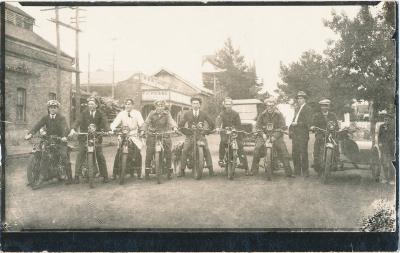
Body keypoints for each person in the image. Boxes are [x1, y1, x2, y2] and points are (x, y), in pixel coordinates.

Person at [24, 100, 72, 187]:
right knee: (44, 155)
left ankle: (69, 177)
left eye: (54, 107)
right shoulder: (45, 118)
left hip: (60, 140)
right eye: (51, 107)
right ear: (48, 109)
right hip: (49, 140)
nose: (52, 109)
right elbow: (37, 126)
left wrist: (64, 136)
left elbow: (65, 128)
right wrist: (30, 134)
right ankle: (40, 178)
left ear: (57, 109)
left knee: (63, 155)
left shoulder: (62, 118)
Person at [69, 97, 111, 184]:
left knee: (100, 155)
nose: (90, 105)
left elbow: (105, 122)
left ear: (96, 105)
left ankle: (105, 175)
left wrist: (108, 129)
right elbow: (78, 121)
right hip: (84, 137)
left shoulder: (100, 113)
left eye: (92, 104)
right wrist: (73, 129)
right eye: (89, 104)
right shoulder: (84, 113)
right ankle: (76, 176)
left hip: (97, 137)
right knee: (80, 154)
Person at [250, 97, 294, 177]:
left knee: (283, 149)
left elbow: (283, 127)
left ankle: (289, 172)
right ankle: (253, 170)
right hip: (264, 136)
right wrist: (262, 134)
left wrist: (275, 136)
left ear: (274, 106)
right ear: (266, 106)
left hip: (276, 136)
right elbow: (258, 127)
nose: (270, 107)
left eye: (271, 106)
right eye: (268, 106)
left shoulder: (279, 114)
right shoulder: (262, 114)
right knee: (257, 148)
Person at [140, 99, 178, 179]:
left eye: (162, 105)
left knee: (168, 152)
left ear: (164, 107)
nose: (160, 107)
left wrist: (174, 127)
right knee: (149, 152)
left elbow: (171, 121)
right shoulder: (151, 113)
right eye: (158, 105)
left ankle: (169, 171)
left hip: (164, 134)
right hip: (153, 134)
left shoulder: (167, 114)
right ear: (155, 106)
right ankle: (147, 171)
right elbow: (146, 122)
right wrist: (143, 130)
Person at [178, 96, 215, 177]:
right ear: (191, 105)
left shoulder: (203, 114)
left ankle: (211, 169)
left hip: (200, 135)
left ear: (199, 105)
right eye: (193, 103)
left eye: (197, 103)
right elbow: (180, 125)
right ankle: (182, 170)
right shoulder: (187, 114)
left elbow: (212, 124)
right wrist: (187, 132)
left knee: (206, 149)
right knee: (185, 150)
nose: (195, 105)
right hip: (190, 135)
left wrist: (206, 131)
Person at [110, 98, 144, 180]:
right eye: (126, 104)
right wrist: (113, 129)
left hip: (133, 135)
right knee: (119, 152)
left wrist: (142, 131)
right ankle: (115, 173)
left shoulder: (137, 113)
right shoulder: (121, 113)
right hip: (123, 134)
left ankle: (139, 173)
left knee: (137, 152)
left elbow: (141, 124)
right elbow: (115, 123)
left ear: (132, 105)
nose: (127, 105)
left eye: (129, 104)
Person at [215, 97, 249, 175]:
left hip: (234, 133)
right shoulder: (222, 113)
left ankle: (246, 167)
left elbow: (239, 125)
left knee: (240, 146)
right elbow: (218, 120)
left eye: (229, 104)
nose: (228, 106)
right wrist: (217, 127)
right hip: (225, 133)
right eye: (226, 104)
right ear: (224, 105)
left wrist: (235, 129)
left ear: (232, 105)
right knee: (223, 142)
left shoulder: (236, 114)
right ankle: (221, 159)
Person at [310, 99, 339, 174]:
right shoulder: (317, 115)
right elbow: (313, 123)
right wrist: (313, 127)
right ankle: (316, 161)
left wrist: (336, 129)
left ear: (328, 107)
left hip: (331, 134)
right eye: (322, 106)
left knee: (336, 142)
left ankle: (336, 160)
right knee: (317, 142)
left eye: (326, 106)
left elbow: (336, 125)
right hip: (321, 133)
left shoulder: (333, 115)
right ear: (320, 107)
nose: (324, 107)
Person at [289, 91, 313, 177]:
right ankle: (297, 171)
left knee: (303, 152)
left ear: (305, 99)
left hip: (303, 134)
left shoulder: (308, 109)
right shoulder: (297, 109)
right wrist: (290, 129)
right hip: (295, 134)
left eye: (301, 98)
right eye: (298, 98)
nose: (299, 100)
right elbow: (293, 120)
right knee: (295, 153)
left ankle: (305, 171)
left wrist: (297, 124)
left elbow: (308, 122)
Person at [378, 111, 395, 185]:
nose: (386, 121)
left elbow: (393, 137)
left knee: (391, 163)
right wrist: (380, 143)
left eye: (387, 119)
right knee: (384, 163)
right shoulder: (381, 126)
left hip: (391, 148)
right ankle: (384, 178)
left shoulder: (393, 127)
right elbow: (379, 136)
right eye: (385, 119)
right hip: (384, 148)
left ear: (390, 120)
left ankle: (391, 179)